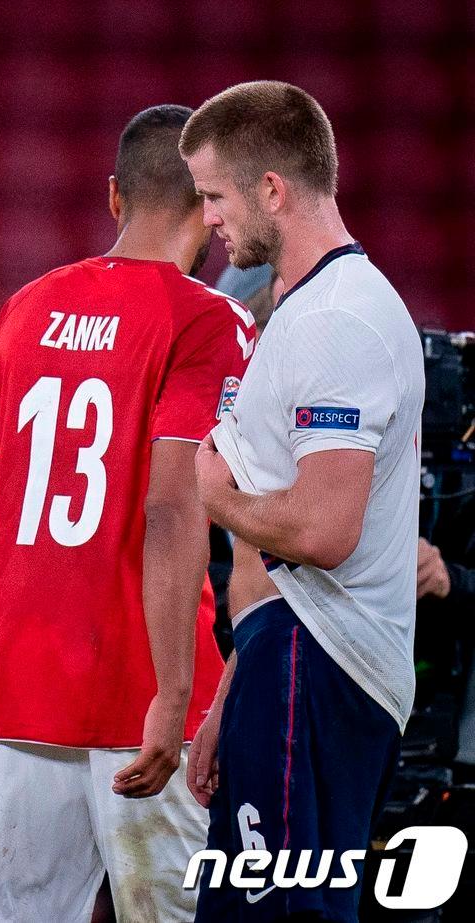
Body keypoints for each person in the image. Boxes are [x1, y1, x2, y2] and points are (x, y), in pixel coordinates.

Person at [0, 105, 255, 923]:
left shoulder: (25, 308)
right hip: (140, 697)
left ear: (114, 198)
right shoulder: (210, 320)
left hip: (20, 693)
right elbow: (172, 503)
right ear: (209, 205)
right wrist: (174, 687)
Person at [185, 81, 424, 922]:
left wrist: (213, 491)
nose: (207, 218)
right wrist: (231, 693)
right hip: (286, 659)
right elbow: (291, 563)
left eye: (214, 195)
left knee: (278, 916)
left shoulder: (336, 322)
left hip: (318, 671)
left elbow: (322, 530)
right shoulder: (310, 308)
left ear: (272, 190)